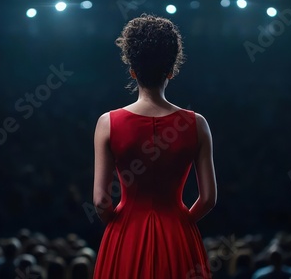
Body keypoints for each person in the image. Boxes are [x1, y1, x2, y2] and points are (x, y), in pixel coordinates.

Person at [92, 14, 217, 279]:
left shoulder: (107, 123)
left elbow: (101, 200)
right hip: (178, 234)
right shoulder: (197, 124)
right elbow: (208, 199)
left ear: (133, 71)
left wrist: (121, 227)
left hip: (125, 233)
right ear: (171, 70)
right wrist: (180, 224)